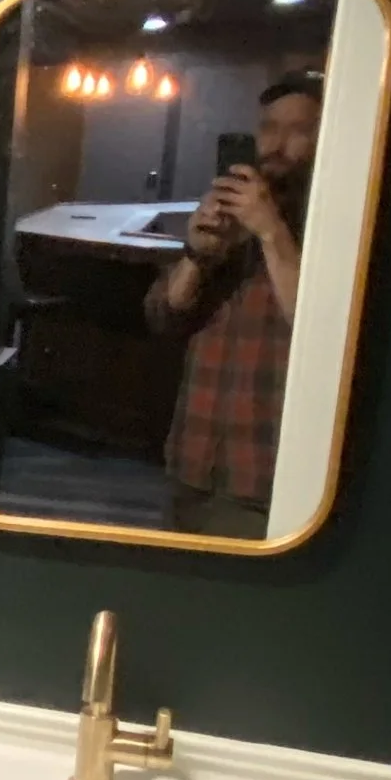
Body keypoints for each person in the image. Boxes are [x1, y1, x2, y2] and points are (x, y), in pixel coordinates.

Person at [141, 70, 324, 539]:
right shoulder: (228, 217)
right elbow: (162, 316)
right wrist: (198, 254)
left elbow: (321, 335)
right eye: (268, 128)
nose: (277, 144)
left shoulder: (330, 225)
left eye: (299, 130)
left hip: (264, 473)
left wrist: (270, 231)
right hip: (193, 458)